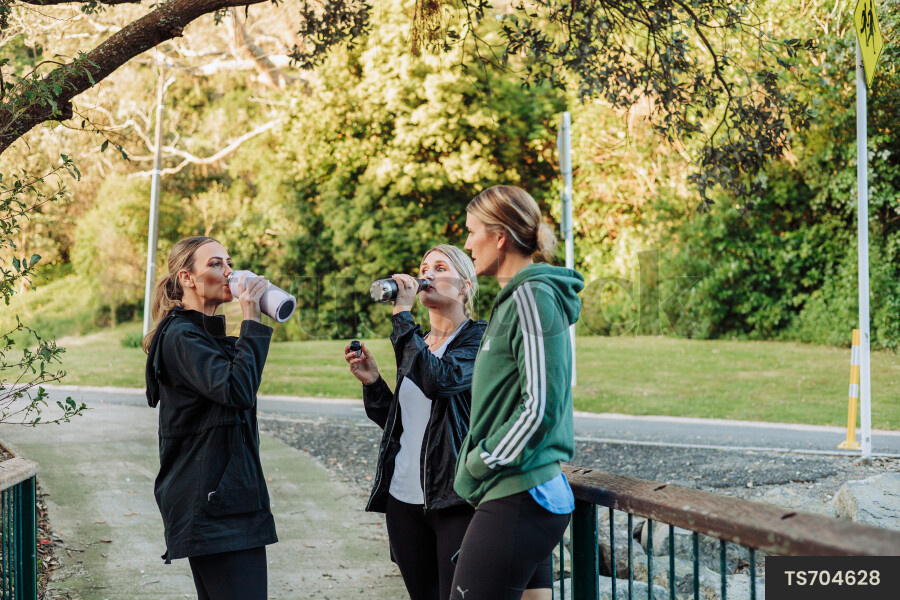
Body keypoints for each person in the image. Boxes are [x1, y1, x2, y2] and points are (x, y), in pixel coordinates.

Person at [450, 186, 584, 600]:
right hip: (516, 492)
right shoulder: (514, 300)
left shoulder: (532, 296)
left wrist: (480, 461)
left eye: (472, 232)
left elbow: (540, 406)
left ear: (499, 237)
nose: (467, 244)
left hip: (519, 492)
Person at [345, 244, 486, 600]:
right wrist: (374, 384)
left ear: (465, 285)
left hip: (453, 500)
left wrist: (402, 316)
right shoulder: (418, 342)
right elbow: (404, 423)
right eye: (424, 269)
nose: (427, 275)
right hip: (403, 500)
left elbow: (440, 381)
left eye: (440, 268)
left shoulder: (478, 339)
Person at [143, 236, 278, 600]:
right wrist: (251, 319)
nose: (228, 271)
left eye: (228, 262)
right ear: (187, 278)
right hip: (214, 506)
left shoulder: (204, 336)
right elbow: (237, 391)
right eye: (216, 264)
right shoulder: (182, 336)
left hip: (226, 500)